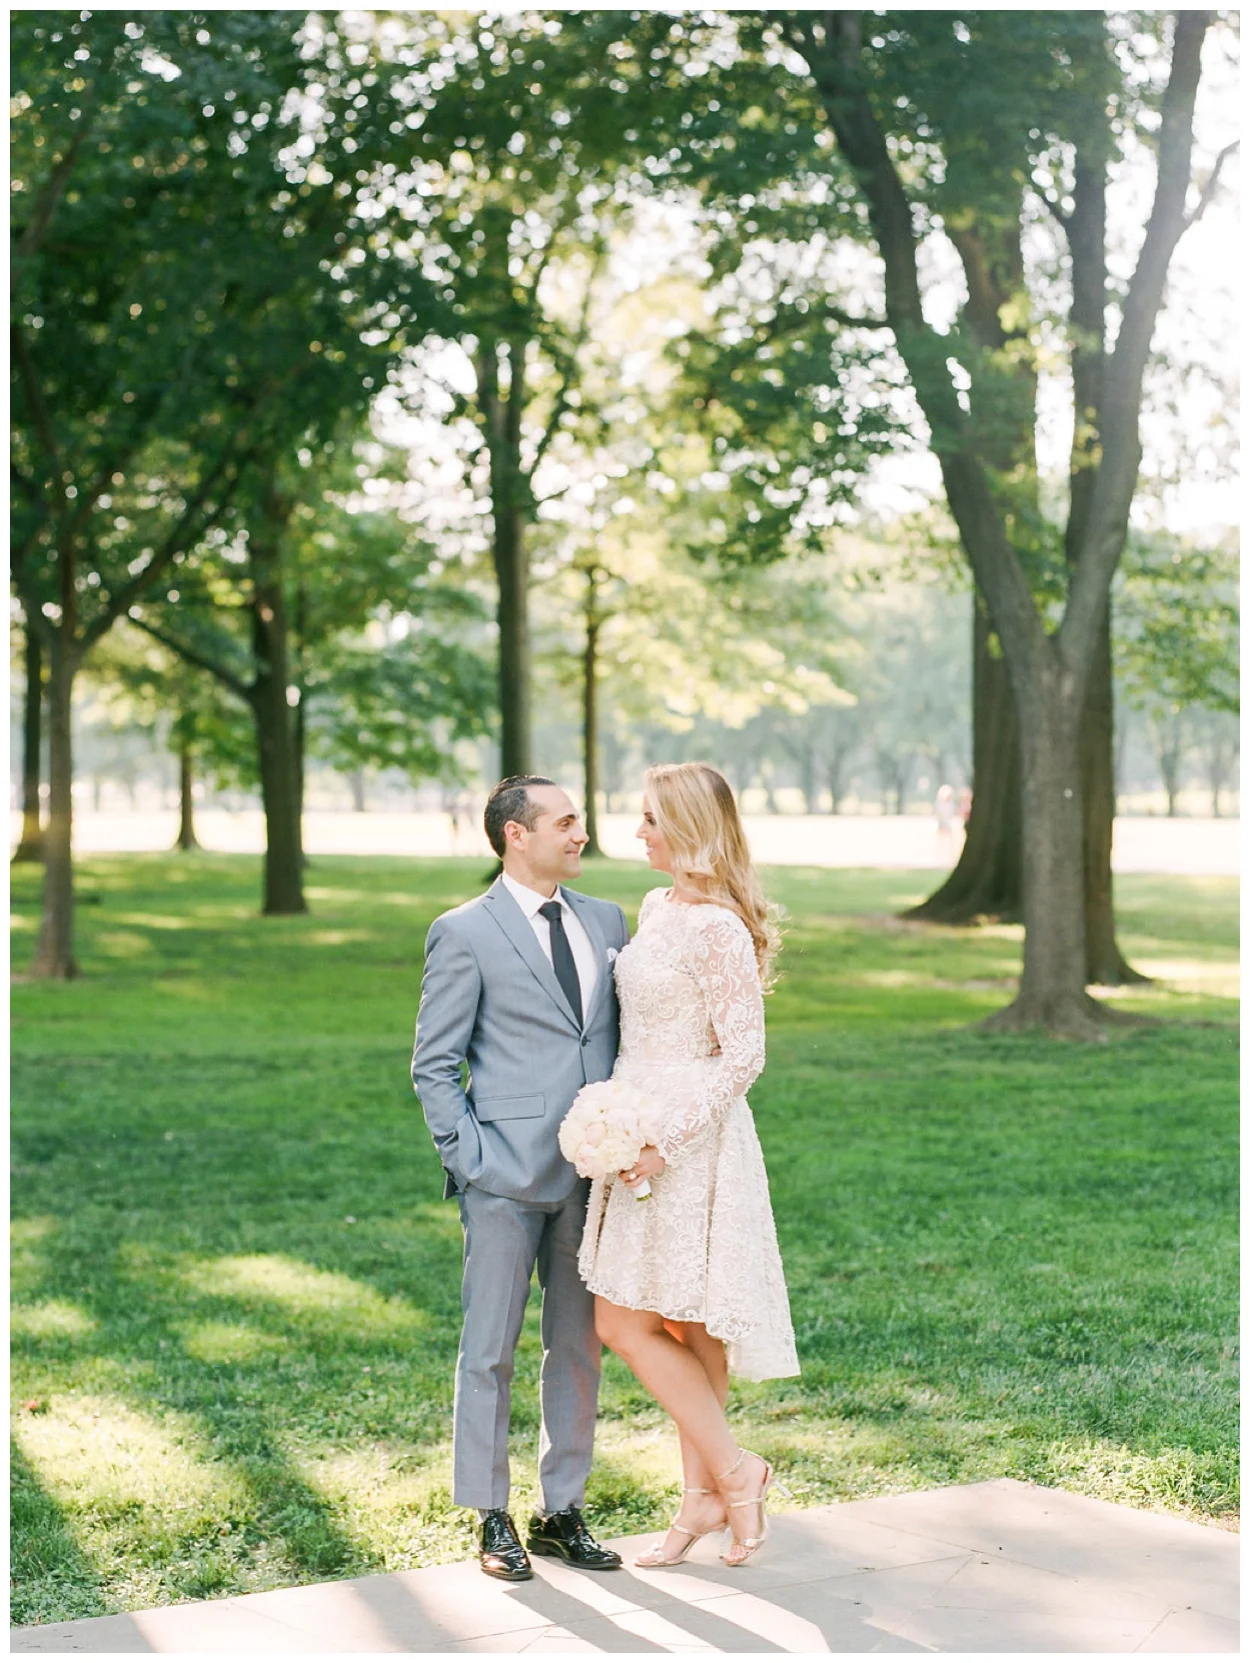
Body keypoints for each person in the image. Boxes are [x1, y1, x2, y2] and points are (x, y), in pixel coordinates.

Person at [579, 762, 799, 1570]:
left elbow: (744, 1055)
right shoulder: (654, 905)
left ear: (687, 828)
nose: (636, 831)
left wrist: (663, 1139)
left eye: (649, 818)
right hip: (634, 1118)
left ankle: (716, 1487)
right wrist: (619, 1124)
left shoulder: (718, 928)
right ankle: (725, 1481)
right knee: (630, 1320)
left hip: (690, 1138)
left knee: (688, 1323)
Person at [411, 776, 630, 1582]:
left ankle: (560, 1508)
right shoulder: (463, 932)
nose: (580, 833)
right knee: (490, 1348)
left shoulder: (606, 919)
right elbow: (433, 1065)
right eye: (565, 822)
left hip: (592, 1174)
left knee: (576, 1346)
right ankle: (490, 1513)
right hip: (502, 1174)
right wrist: (472, 1161)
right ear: (515, 835)